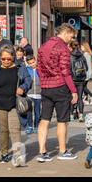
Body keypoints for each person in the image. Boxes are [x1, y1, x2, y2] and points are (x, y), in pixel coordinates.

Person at [0, 44, 32, 164]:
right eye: (3, 59)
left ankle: (17, 156)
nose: (5, 61)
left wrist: (23, 88)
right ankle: (4, 153)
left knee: (15, 129)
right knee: (3, 131)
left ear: (13, 57)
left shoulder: (20, 68)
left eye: (8, 59)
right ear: (0, 58)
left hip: (14, 104)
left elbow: (29, 80)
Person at [36, 23, 79, 162]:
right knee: (62, 120)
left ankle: (42, 152)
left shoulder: (42, 47)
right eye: (71, 37)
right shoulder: (63, 49)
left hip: (46, 88)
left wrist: (43, 82)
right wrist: (73, 90)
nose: (71, 40)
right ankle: (63, 151)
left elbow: (38, 69)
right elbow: (65, 72)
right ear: (65, 33)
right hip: (60, 86)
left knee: (44, 119)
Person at [69, 41, 88, 122]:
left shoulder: (70, 56)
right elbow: (86, 67)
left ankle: (71, 115)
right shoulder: (82, 55)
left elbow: (68, 69)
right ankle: (80, 115)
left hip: (72, 79)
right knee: (80, 97)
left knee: (72, 97)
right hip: (81, 79)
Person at [25, 55, 41, 134]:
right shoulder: (27, 70)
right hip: (29, 94)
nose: (32, 64)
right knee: (29, 112)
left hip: (38, 94)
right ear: (28, 64)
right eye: (30, 63)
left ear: (35, 60)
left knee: (37, 112)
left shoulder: (40, 69)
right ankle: (30, 126)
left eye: (33, 62)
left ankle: (37, 125)